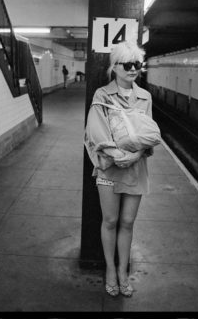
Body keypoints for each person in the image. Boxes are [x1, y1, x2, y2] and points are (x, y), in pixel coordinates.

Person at [84, 41, 158, 297]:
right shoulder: (102, 95)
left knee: (127, 222)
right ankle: (110, 271)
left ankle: (123, 271)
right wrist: (118, 156)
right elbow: (96, 133)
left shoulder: (145, 97)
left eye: (137, 64)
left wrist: (135, 154)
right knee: (110, 220)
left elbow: (149, 136)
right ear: (114, 67)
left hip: (135, 169)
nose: (133, 69)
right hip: (108, 169)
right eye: (127, 64)